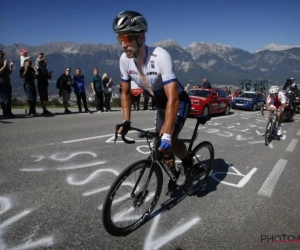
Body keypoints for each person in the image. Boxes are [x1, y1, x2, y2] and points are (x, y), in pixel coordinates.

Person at [113, 10, 192, 186]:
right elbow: (125, 92)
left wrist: (167, 135)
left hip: (178, 101)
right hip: (161, 104)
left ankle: (188, 162)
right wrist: (126, 121)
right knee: (160, 144)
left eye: (126, 39)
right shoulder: (124, 60)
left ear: (141, 37)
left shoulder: (160, 56)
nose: (123, 45)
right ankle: (173, 174)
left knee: (168, 141)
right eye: (120, 40)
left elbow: (173, 99)